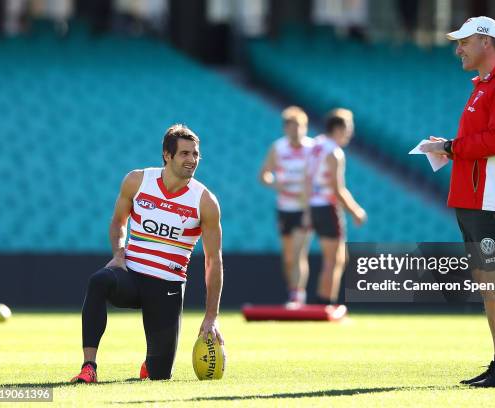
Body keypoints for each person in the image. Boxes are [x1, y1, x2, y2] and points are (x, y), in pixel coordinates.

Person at [420, 16, 495, 387]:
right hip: (473, 200)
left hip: (490, 201)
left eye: (464, 42)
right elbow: (486, 141)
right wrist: (449, 147)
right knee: (490, 285)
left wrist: (452, 147)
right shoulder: (486, 85)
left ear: (485, 42)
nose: (458, 49)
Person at [70, 124, 224, 383]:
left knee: (159, 376)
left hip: (168, 286)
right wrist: (119, 254)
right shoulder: (137, 181)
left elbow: (213, 261)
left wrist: (211, 317)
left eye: (195, 154)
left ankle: (151, 364)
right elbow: (118, 221)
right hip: (131, 275)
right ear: (167, 155)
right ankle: (89, 367)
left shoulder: (205, 201)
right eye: (185, 154)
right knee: (99, 280)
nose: (192, 160)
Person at [306, 108, 367, 305]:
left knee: (335, 258)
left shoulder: (316, 144)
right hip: (327, 206)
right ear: (339, 128)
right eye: (348, 128)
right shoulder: (334, 151)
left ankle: (322, 302)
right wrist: (355, 211)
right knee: (335, 259)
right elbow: (337, 189)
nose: (350, 133)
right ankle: (325, 304)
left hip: (313, 204)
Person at [259, 106, 313, 306]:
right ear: (285, 128)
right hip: (284, 208)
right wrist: (276, 183)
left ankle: (298, 296)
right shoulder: (278, 148)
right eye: (292, 127)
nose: (296, 131)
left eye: (299, 126)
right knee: (289, 257)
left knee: (300, 252)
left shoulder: (312, 149)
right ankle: (292, 291)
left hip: (305, 208)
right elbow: (264, 175)